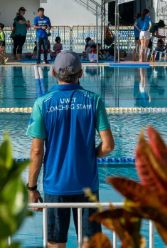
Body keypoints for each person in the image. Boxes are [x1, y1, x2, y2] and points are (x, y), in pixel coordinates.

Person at [26, 51, 115, 247]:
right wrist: (91, 155)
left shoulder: (42, 103)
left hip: (55, 187)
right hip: (87, 186)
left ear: (53, 73)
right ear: (81, 74)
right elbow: (108, 145)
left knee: (56, 243)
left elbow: (37, 152)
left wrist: (32, 188)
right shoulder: (94, 100)